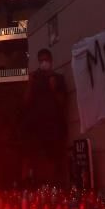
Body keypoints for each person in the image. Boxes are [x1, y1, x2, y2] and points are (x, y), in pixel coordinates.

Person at [22, 48, 68, 187]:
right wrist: (29, 84)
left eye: (46, 60)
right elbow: (26, 101)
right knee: (40, 163)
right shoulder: (35, 79)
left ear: (51, 61)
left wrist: (53, 88)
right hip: (38, 129)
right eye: (41, 60)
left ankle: (56, 188)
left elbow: (62, 101)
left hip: (55, 127)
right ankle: (40, 188)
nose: (44, 63)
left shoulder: (58, 78)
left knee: (55, 161)